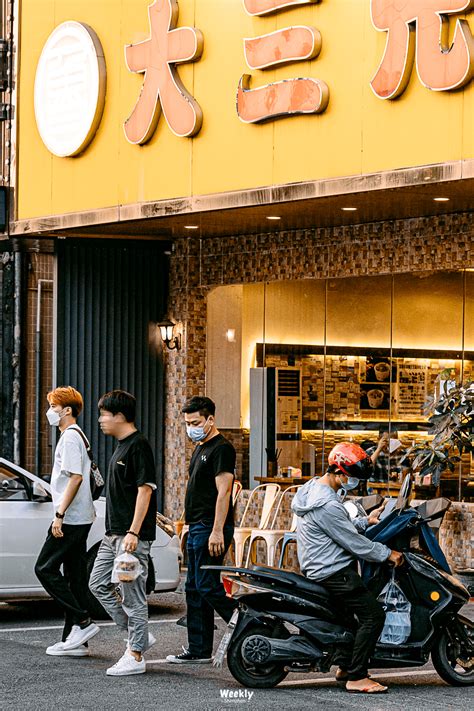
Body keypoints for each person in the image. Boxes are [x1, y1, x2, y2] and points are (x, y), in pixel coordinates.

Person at [292, 442, 403, 694]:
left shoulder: (314, 487)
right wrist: (388, 554)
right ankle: (357, 677)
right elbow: (355, 544)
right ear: (339, 473)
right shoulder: (327, 503)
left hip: (320, 565)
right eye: (352, 478)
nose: (354, 484)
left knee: (347, 618)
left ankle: (345, 666)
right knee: (373, 616)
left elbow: (339, 525)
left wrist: (366, 521)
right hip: (333, 571)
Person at [89, 390, 157, 676]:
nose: (101, 420)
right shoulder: (120, 446)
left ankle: (137, 655)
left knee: (133, 596)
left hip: (130, 537)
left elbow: (145, 491)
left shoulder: (138, 446)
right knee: (97, 584)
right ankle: (136, 635)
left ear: (119, 416)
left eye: (104, 414)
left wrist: (133, 532)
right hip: (112, 534)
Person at [166, 396, 237, 664]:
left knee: (207, 585)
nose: (190, 427)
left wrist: (217, 531)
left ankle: (248, 622)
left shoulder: (222, 449)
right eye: (187, 423)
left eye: (195, 422)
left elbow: (224, 492)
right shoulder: (200, 447)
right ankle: (199, 649)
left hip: (210, 527)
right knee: (194, 588)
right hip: (197, 526)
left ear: (210, 420)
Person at [35, 386, 99, 657]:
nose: (50, 411)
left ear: (67, 410)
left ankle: (83, 621)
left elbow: (75, 478)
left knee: (45, 568)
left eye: (53, 406)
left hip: (71, 518)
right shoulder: (76, 436)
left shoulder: (71, 437)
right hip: (79, 516)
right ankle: (76, 641)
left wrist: (59, 514)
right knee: (75, 577)